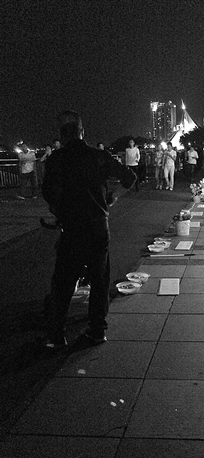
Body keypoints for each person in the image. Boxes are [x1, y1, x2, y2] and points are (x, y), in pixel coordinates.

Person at [42, 110, 136, 349]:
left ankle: (56, 335)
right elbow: (129, 178)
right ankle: (97, 330)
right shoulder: (99, 156)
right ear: (82, 131)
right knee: (99, 280)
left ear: (62, 134)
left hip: (72, 228)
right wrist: (112, 197)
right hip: (97, 226)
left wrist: (59, 211)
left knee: (63, 282)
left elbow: (49, 195)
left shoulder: (56, 159)